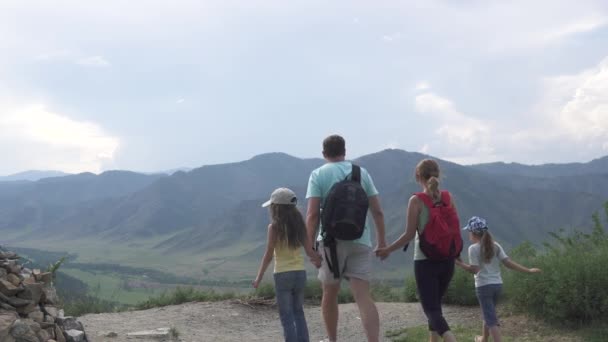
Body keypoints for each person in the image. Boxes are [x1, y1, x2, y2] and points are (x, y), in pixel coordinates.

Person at [306, 134, 387, 342]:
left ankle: (333, 340)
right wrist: (382, 241)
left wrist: (310, 248)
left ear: (324, 153)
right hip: (361, 239)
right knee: (363, 296)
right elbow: (377, 211)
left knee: (330, 293)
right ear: (345, 151)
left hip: (330, 243)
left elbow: (313, 215)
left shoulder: (318, 174)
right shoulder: (361, 173)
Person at [375, 159, 459, 342]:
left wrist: (388, 249)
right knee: (435, 307)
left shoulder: (416, 201)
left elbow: (408, 235)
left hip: (425, 262)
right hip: (447, 260)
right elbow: (453, 230)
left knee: (431, 309)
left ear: (417, 176)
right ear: (438, 174)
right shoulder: (448, 197)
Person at [456, 216, 541, 342]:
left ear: (474, 233)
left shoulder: (473, 248)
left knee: (491, 319)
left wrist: (459, 263)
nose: (468, 234)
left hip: (483, 287)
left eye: (469, 231)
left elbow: (474, 270)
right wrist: (528, 270)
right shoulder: (495, 245)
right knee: (489, 313)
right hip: (497, 285)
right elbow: (508, 263)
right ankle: (484, 338)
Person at [253, 187, 322, 342]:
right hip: (300, 274)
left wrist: (258, 278)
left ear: (276, 207)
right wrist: (320, 261)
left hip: (282, 275)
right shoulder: (300, 226)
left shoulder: (274, 227)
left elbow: (269, 255)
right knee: (298, 312)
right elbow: (310, 251)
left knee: (286, 315)